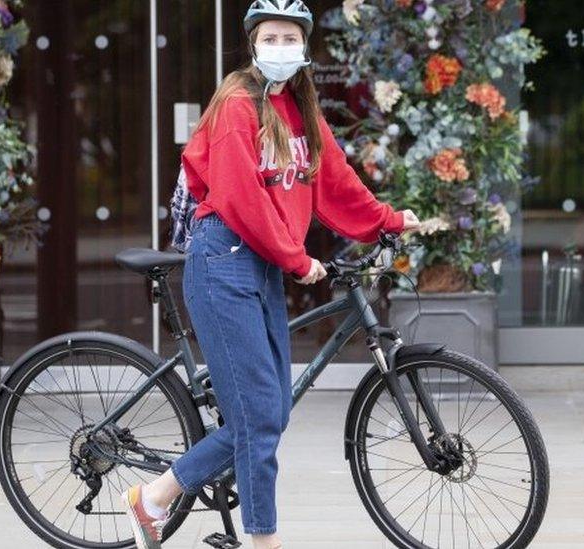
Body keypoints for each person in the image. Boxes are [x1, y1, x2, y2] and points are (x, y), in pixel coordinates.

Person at [121, 1, 420, 548]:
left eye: (290, 38)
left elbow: (334, 178)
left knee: (269, 414)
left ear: (304, 47)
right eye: (270, 37)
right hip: (223, 262)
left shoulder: (299, 109)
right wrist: (296, 257)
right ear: (253, 44)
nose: (280, 47)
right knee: (259, 421)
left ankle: (155, 497)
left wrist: (388, 221)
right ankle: (264, 541)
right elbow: (239, 195)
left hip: (259, 267)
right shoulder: (237, 104)